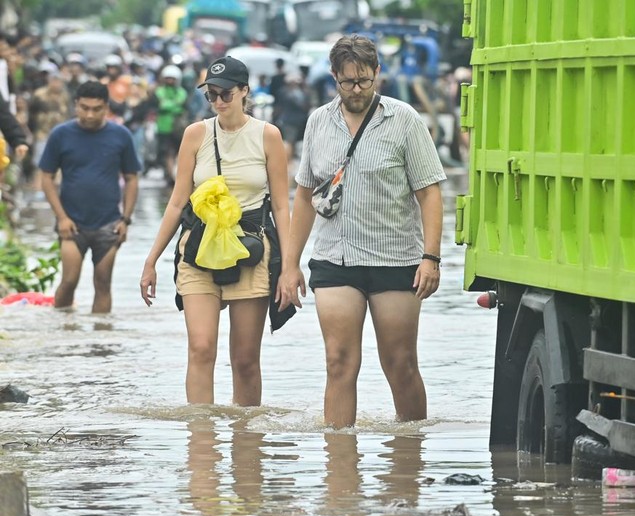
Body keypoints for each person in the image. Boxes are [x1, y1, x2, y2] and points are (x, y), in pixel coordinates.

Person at [278, 34, 446, 428]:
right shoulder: (319, 121)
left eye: (365, 81)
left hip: (396, 259)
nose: (356, 90)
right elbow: (303, 198)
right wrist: (290, 265)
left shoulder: (403, 119)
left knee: (400, 364)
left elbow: (430, 193)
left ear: (377, 74)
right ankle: (339, 465)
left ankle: (409, 456)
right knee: (338, 362)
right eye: (348, 82)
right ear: (334, 77)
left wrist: (431, 257)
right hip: (334, 259)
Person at [139, 56, 291, 407]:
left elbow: (283, 206)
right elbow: (177, 203)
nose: (219, 102)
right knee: (201, 347)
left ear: (244, 92)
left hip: (249, 248)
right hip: (199, 247)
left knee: (245, 360)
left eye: (226, 94)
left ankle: (247, 445)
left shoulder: (268, 136)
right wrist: (151, 261)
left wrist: (290, 266)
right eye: (211, 95)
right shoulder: (196, 134)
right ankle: (202, 445)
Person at [39, 81, 140, 313]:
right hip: (72, 223)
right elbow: (46, 177)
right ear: (76, 105)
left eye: (96, 109)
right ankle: (63, 336)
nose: (90, 114)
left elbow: (132, 179)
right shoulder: (60, 135)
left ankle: (100, 341)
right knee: (69, 281)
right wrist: (61, 218)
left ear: (106, 107)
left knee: (103, 283)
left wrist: (125, 219)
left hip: (109, 223)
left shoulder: (121, 136)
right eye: (84, 108)